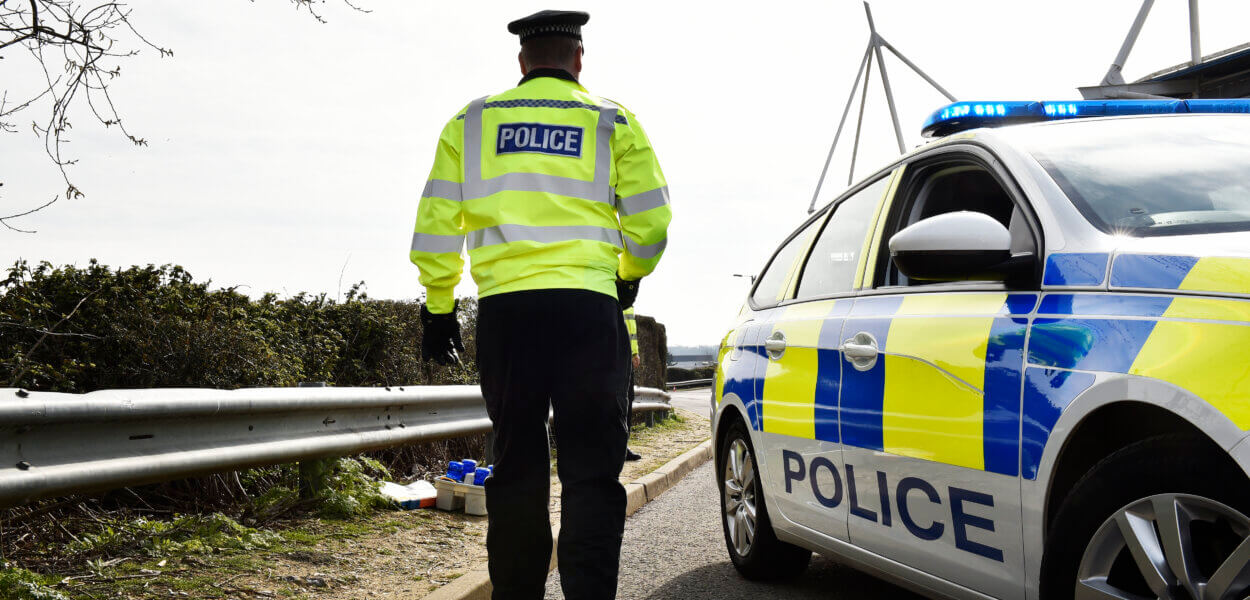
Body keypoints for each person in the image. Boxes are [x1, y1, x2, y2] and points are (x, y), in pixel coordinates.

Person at [409, 9, 671, 600]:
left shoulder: (471, 123)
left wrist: (439, 304)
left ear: (522, 62)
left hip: (508, 317)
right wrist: (626, 275)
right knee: (591, 473)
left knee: (518, 467)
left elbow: (436, 223)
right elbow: (651, 224)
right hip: (587, 314)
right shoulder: (613, 120)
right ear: (578, 59)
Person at [623, 307, 642, 462]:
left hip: (626, 358)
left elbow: (630, 329)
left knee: (627, 402)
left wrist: (634, 352)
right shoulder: (607, 287)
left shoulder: (627, 299)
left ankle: (622, 447)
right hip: (609, 356)